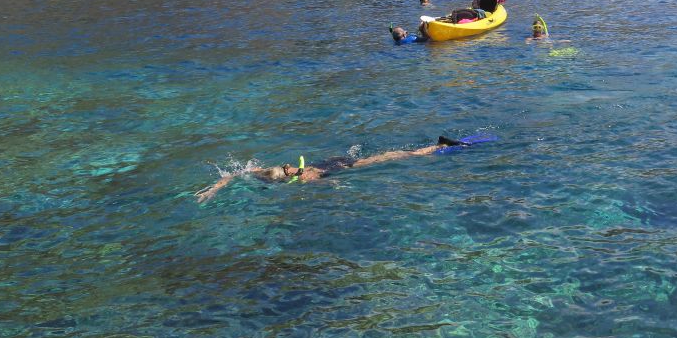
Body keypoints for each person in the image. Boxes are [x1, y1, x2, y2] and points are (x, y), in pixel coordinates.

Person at [195, 135, 486, 202]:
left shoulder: (300, 179)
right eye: (291, 171)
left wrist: (337, 188)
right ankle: (434, 147)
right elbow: (235, 174)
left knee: (394, 157)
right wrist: (213, 188)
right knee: (391, 155)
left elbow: (236, 174)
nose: (294, 171)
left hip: (340, 166)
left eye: (291, 170)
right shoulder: (269, 172)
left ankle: (438, 147)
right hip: (333, 163)